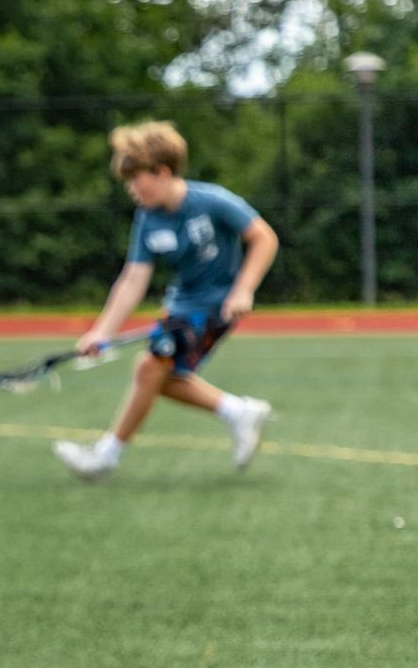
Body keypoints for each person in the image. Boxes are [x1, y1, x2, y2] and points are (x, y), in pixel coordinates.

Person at [52, 120, 279, 481]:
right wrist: (101, 332)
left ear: (162, 172)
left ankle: (106, 457)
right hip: (181, 306)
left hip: (217, 306)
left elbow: (264, 237)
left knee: (148, 368)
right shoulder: (147, 219)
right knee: (161, 377)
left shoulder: (212, 201)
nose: (131, 189)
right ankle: (238, 411)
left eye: (136, 179)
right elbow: (133, 278)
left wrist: (243, 289)